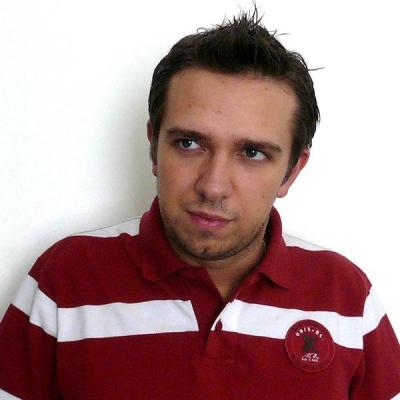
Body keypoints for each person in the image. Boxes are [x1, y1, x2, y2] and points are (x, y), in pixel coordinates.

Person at [0, 8, 399, 400]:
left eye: (253, 153)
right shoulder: (64, 282)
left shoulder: (347, 298)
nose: (213, 186)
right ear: (154, 147)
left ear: (292, 171)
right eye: (189, 143)